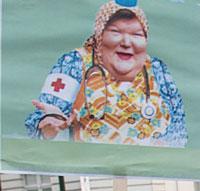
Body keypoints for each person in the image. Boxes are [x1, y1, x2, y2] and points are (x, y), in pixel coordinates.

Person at [26, 0, 186, 147]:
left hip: (147, 170)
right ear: (100, 35)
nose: (126, 43)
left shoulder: (157, 69)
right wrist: (51, 125)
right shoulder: (74, 62)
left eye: (136, 35)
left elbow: (178, 126)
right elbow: (50, 114)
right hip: (92, 169)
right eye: (116, 32)